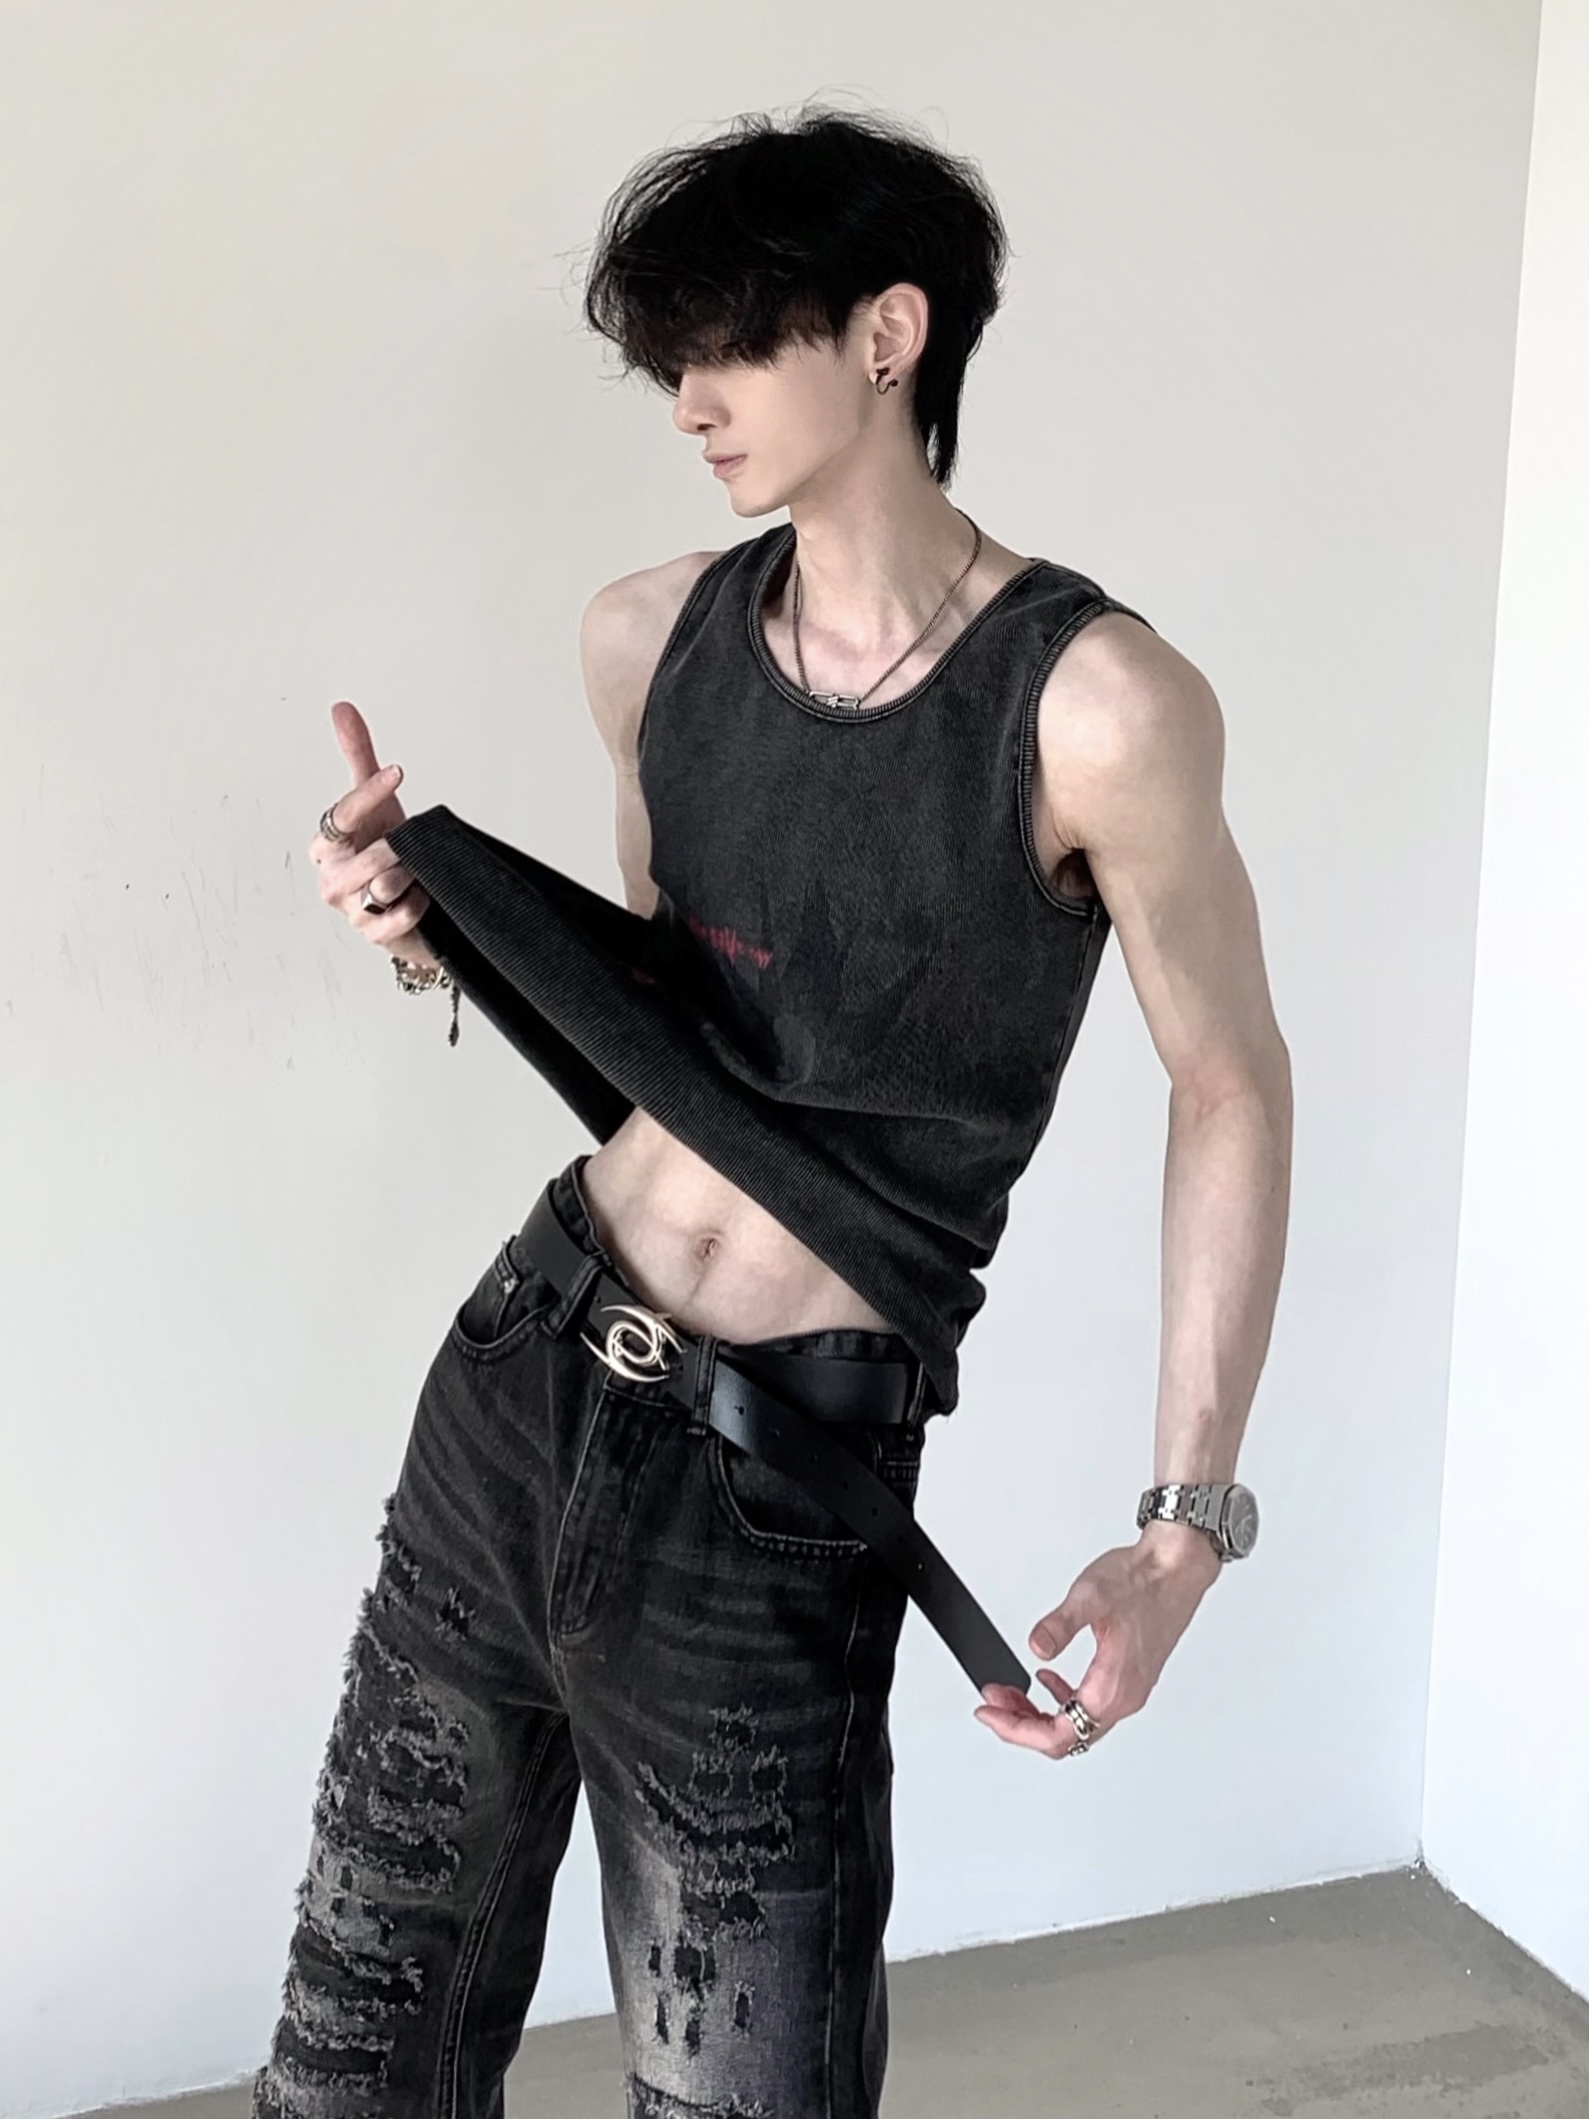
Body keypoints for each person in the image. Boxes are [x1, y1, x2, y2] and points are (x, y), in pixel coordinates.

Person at [256, 105, 1292, 2119]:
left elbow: (1230, 1082)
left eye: (731, 342)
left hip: (775, 1472)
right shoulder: (647, 637)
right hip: (519, 1379)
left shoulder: (1096, 707)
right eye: (670, 354)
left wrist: (1186, 1530)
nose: (689, 400)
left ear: (890, 334)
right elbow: (679, 1030)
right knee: (350, 2058)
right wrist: (424, 926)